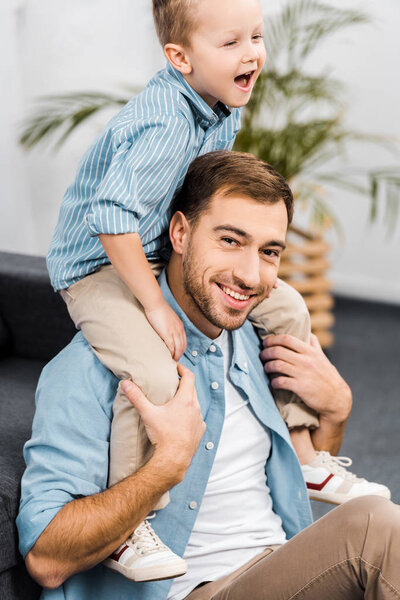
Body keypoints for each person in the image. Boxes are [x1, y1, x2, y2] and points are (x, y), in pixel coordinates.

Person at [45, 0, 387, 579]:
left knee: (290, 307)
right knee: (154, 370)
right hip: (96, 262)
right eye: (230, 42)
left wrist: (331, 413)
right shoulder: (165, 120)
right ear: (180, 57)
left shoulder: (219, 105)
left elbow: (203, 195)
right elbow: (110, 216)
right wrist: (154, 303)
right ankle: (134, 530)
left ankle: (308, 459)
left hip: (151, 246)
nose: (251, 51)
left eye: (255, 36)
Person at [17, 151, 397, 600]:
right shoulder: (92, 367)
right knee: (377, 526)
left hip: (281, 568)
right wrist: (168, 464)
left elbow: (293, 482)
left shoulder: (259, 341)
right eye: (231, 241)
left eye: (269, 251)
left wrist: (335, 415)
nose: (250, 274)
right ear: (180, 232)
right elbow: (45, 558)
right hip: (191, 591)